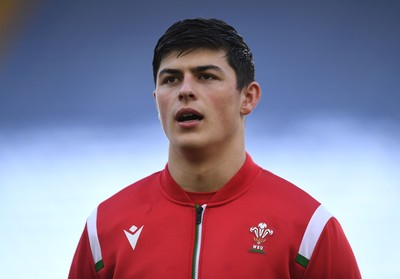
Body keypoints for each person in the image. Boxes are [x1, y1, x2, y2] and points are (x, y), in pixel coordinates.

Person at [68, 18, 361, 278]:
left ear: (248, 97)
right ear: (157, 99)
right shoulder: (104, 227)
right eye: (171, 79)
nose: (185, 90)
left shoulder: (309, 228)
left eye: (206, 76)